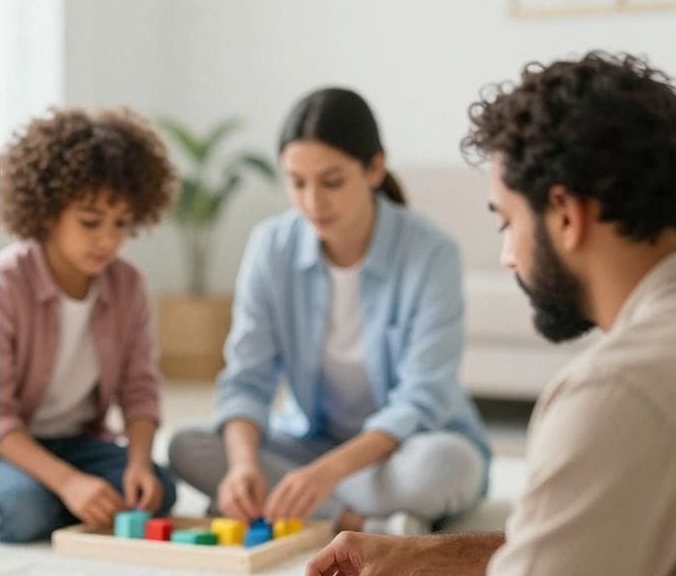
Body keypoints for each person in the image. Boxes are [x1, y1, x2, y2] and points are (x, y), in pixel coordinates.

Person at [235, 52, 676, 576]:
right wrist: (427, 555)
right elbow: (600, 553)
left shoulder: (617, 391)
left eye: (505, 221)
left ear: (565, 214)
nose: (504, 255)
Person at [169, 88, 491, 536]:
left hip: (403, 449)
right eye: (297, 182)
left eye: (332, 182)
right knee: (188, 446)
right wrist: (244, 468)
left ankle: (311, 510)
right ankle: (364, 522)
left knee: (448, 466)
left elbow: (423, 398)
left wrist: (325, 475)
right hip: (309, 445)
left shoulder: (431, 252)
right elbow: (247, 379)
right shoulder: (270, 246)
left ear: (375, 168)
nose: (312, 202)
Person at [0, 107, 179, 543]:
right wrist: (68, 483)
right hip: (19, 448)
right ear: (47, 212)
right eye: (90, 221)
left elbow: (140, 390)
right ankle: (61, 498)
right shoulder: (9, 281)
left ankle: (75, 500)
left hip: (83, 443)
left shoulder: (128, 285)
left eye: (121, 224)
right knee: (23, 510)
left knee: (159, 489)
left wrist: (137, 462)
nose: (108, 240)